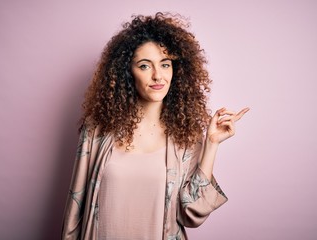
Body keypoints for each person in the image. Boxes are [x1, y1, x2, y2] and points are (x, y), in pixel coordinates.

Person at [61, 12, 249, 240]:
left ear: (176, 70)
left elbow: (192, 213)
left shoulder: (185, 135)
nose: (158, 75)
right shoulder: (98, 130)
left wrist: (211, 144)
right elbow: (75, 208)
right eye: (144, 66)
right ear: (127, 72)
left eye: (165, 64)